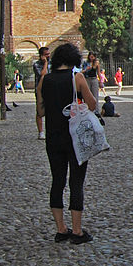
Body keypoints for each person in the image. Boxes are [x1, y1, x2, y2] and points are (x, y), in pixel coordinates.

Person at [36, 42, 97, 245]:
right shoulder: (76, 77)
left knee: (57, 181)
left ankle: (61, 229)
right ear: (73, 60)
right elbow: (92, 104)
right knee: (76, 182)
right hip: (75, 138)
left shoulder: (45, 80)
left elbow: (41, 111)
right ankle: (77, 231)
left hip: (53, 138)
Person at [33, 46, 50, 140]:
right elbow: (42, 74)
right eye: (46, 55)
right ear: (41, 56)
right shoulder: (37, 65)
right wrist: (46, 63)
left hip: (50, 89)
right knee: (39, 111)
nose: (48, 56)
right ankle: (41, 132)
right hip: (40, 90)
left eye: (48, 54)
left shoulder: (53, 63)